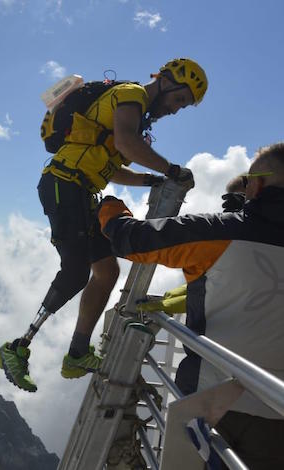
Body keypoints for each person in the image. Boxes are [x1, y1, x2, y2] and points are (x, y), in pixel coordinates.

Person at [0, 58, 208, 392]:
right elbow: (125, 144)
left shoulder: (133, 113)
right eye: (180, 99)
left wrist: (148, 180)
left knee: (106, 272)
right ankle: (16, 348)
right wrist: (171, 170)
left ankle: (77, 353)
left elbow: (111, 166)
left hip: (79, 190)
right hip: (64, 185)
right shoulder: (132, 95)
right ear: (166, 82)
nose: (177, 109)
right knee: (77, 270)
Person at [98, 143, 284, 469]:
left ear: (257, 185)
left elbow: (136, 240)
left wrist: (110, 211)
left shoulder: (220, 233)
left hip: (216, 403)